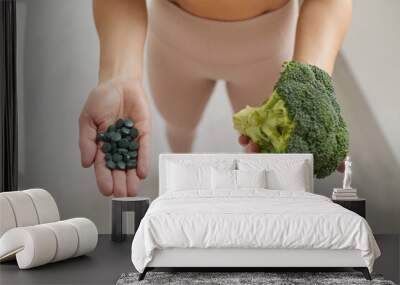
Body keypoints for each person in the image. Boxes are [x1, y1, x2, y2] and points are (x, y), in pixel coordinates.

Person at [79, 0, 352, 197]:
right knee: (178, 123)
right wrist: (119, 74)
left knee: (262, 157)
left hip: (268, 51)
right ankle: (180, 170)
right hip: (173, 45)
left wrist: (310, 83)